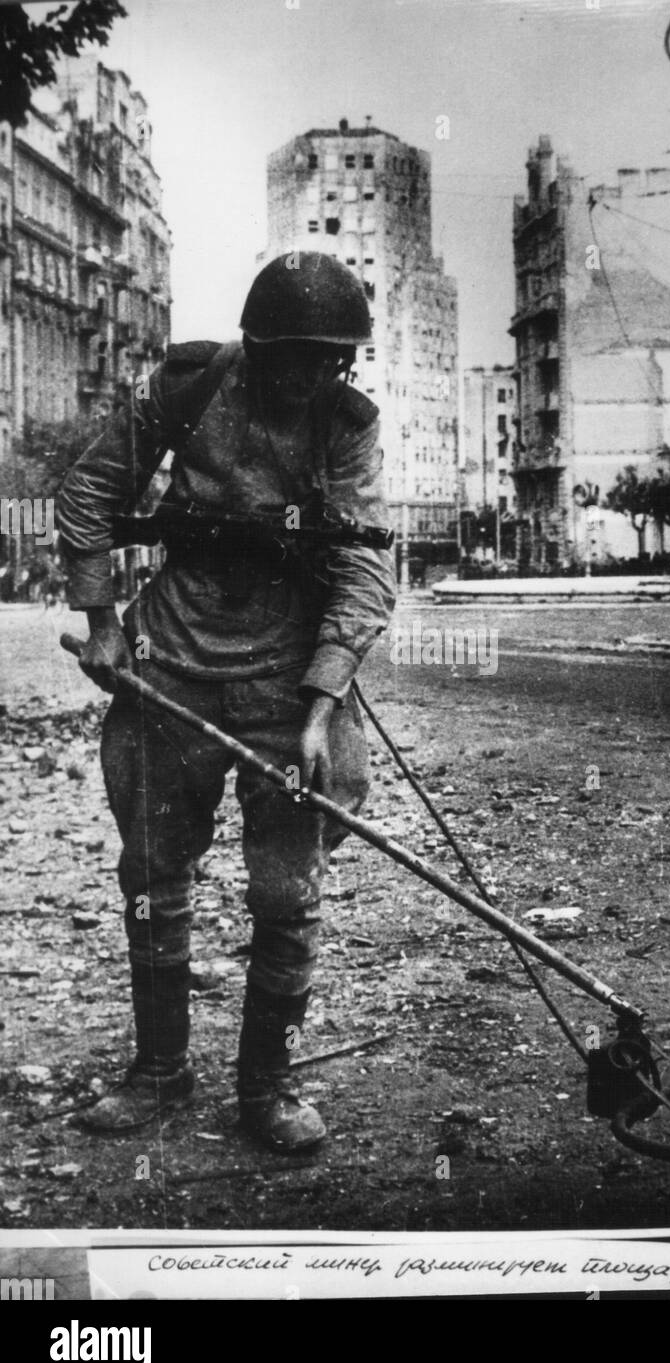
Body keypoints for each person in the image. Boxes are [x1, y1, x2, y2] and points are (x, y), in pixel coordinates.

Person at [56, 252, 397, 1152]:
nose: (313, 376)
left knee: (288, 894)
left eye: (333, 360)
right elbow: (90, 490)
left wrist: (323, 702)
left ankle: (268, 1087)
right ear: (258, 345)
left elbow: (366, 564)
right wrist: (101, 623)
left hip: (287, 679)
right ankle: (160, 1073)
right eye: (297, 358)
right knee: (152, 880)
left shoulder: (347, 423)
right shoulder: (189, 386)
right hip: (169, 660)